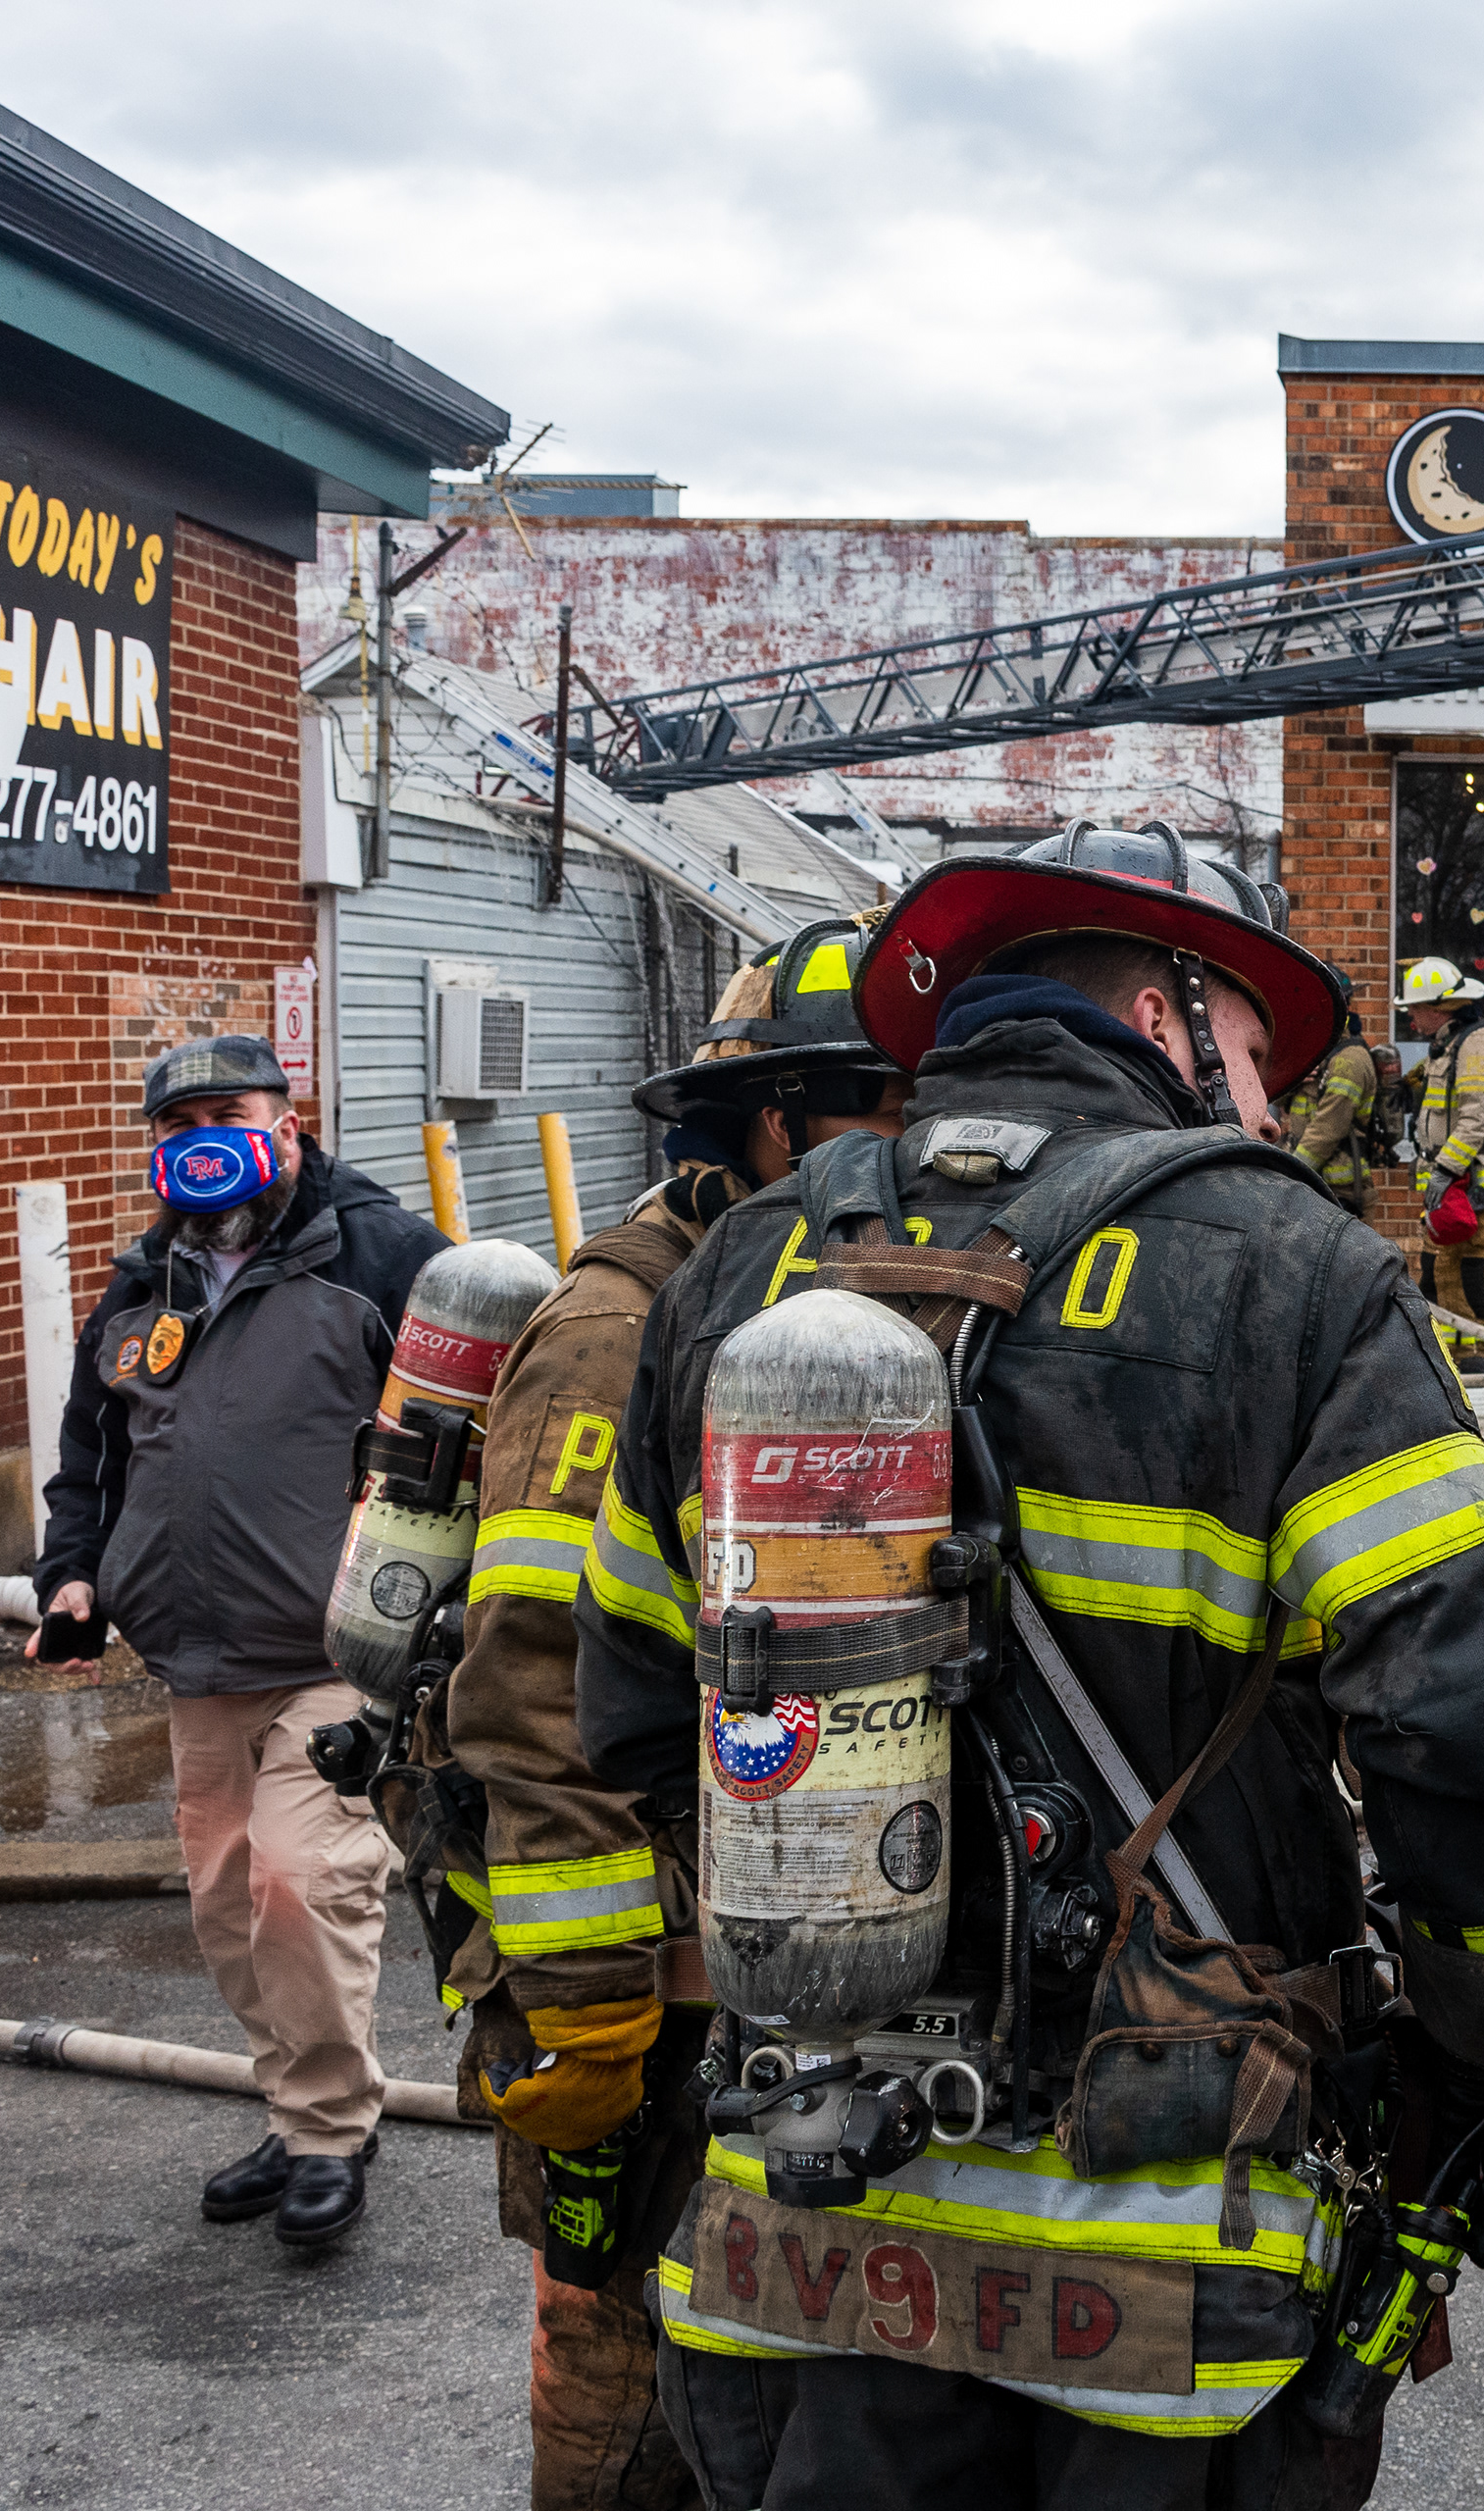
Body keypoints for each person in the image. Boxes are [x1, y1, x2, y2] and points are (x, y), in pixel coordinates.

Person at [573, 821, 1484, 2511]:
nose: (1273, 1108)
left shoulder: (738, 1267)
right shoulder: (1297, 1272)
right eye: (1259, 1058)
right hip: (1168, 2248)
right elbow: (1454, 1723)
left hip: (805, 2211)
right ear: (1170, 1014)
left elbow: (634, 1712)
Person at [419, 917, 916, 2511]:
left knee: (801, 2363)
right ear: (770, 1122)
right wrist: (588, 2002)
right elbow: (530, 1683)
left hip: (791, 1932)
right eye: (879, 1111)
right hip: (639, 1972)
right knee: (621, 2351)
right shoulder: (618, 1330)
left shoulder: (835, 1313)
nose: (911, 1152)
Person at [35, 1036, 447, 2249]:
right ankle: (298, 2099)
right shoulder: (142, 1283)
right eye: (178, 1123)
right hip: (198, 1657)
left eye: (229, 1111)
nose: (202, 1139)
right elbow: (92, 1452)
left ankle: (327, 2134)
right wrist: (73, 1575)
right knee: (228, 1907)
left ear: (287, 1121)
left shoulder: (383, 1260)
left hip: (342, 1654)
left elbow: (469, 1435)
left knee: (299, 1881)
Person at [1402, 952, 1484, 1369]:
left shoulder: (1477, 1045)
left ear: (1440, 1006)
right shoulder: (1448, 1045)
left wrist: (1445, 1169)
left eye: (1415, 1008)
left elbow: (1479, 1117)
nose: (1410, 1017)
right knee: (1441, 1271)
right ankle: (1456, 1355)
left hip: (1480, 1189)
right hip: (1453, 1188)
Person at [1284, 1012, 1395, 1217]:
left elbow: (1329, 1128)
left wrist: (1291, 1175)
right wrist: (1291, 1076)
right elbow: (1272, 1098)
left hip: (1341, 1190)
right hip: (1310, 1182)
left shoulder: (1349, 1060)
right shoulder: (1315, 1052)